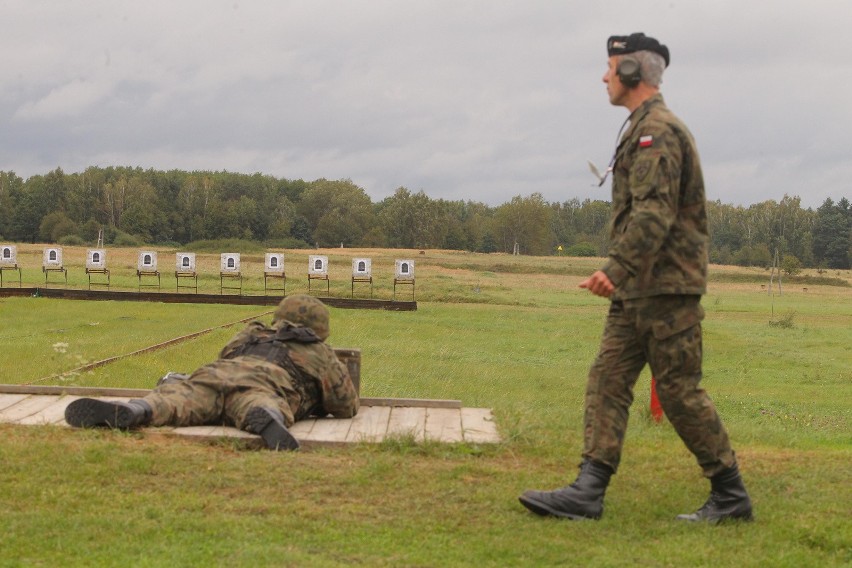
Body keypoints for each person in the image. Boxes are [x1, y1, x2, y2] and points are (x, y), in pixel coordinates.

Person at [519, 33, 753, 523]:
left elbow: (654, 214)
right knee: (607, 379)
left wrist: (616, 268)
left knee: (679, 392)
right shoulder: (639, 128)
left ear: (630, 73)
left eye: (610, 67)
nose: (603, 77)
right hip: (639, 289)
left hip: (665, 288)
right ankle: (589, 489)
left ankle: (730, 495)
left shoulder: (658, 132)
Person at [65, 295, 360, 451]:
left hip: (214, 377)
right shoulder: (319, 353)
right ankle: (267, 420)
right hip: (263, 387)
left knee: (174, 397)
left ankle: (136, 409)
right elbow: (345, 406)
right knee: (261, 404)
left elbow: (225, 355)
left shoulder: (253, 334)